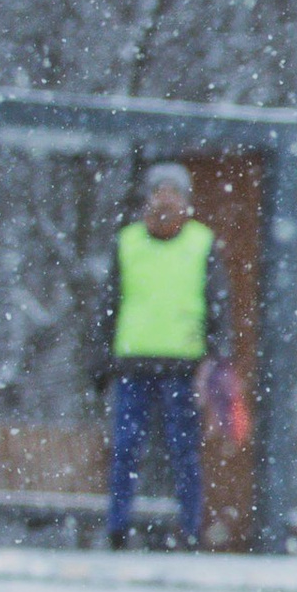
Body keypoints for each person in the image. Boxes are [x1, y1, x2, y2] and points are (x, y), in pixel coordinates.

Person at [99, 162, 234, 550]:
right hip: (133, 363)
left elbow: (218, 302)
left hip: (183, 366)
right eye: (160, 192)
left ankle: (190, 530)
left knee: (184, 452)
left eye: (174, 193)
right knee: (126, 448)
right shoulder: (128, 243)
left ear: (186, 201)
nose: (166, 201)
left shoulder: (201, 244)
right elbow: (108, 302)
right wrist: (101, 358)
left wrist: (216, 356)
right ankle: (117, 529)